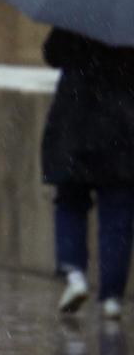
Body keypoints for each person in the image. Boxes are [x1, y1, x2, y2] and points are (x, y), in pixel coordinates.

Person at [41, 28, 134, 319]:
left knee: (69, 202)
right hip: (120, 126)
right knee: (117, 213)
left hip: (74, 124)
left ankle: (75, 275)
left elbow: (52, 55)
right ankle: (111, 298)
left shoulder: (75, 14)